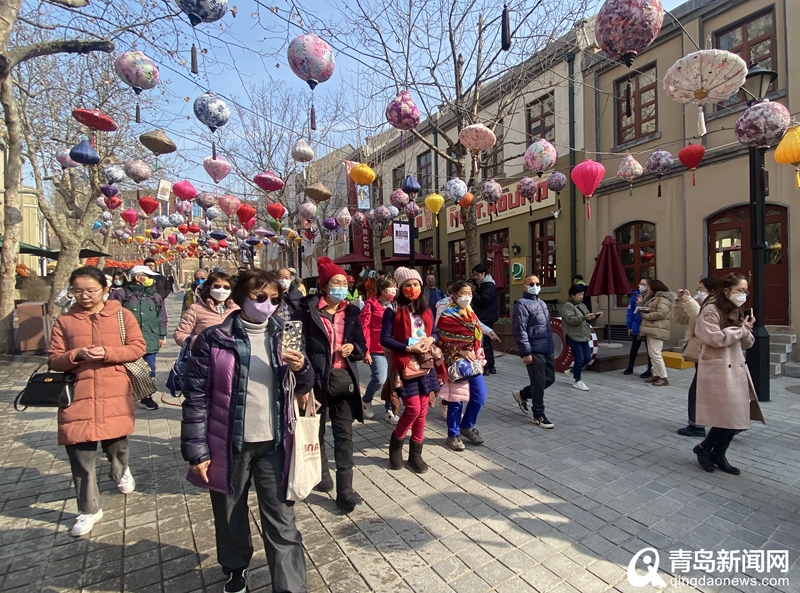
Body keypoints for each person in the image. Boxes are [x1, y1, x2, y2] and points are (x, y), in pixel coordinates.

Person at [181, 269, 312, 593]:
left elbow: (304, 386)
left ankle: (291, 587)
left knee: (282, 520)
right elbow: (196, 397)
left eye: (275, 299)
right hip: (228, 444)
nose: (268, 304)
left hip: (275, 444)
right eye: (260, 297)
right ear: (241, 297)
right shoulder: (214, 338)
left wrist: (301, 368)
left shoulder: (284, 333)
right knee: (230, 514)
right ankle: (235, 568)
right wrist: (197, 451)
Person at [49, 266, 146, 537]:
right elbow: (54, 359)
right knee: (81, 457)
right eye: (78, 291)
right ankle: (89, 509)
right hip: (76, 395)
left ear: (105, 289)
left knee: (117, 446)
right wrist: (76, 355)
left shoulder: (122, 315)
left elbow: (138, 347)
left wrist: (107, 352)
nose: (85, 296)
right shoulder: (65, 321)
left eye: (91, 290)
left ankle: (121, 471)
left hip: (114, 391)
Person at [293, 257, 366, 512]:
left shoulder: (352, 312)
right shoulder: (305, 312)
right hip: (315, 382)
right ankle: (321, 473)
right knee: (316, 431)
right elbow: (296, 348)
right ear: (324, 286)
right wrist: (302, 385)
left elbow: (362, 345)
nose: (341, 287)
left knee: (344, 435)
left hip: (343, 382)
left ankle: (345, 489)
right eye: (336, 282)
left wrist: (353, 347)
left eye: (344, 283)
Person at [692, 273, 764, 474]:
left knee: (737, 417)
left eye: (745, 291)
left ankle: (717, 452)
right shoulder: (711, 310)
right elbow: (713, 338)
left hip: (736, 368)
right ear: (726, 290)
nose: (743, 295)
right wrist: (741, 330)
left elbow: (747, 342)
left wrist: (746, 329)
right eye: (739, 290)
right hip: (719, 369)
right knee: (728, 416)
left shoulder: (735, 310)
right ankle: (705, 449)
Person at [382, 267, 443, 473]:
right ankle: (396, 446)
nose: (413, 288)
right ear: (400, 288)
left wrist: (431, 338)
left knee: (423, 410)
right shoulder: (392, 310)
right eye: (408, 285)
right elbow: (385, 339)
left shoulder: (426, 309)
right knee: (413, 408)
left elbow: (436, 332)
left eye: (416, 284)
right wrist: (408, 348)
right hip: (405, 364)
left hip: (425, 363)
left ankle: (415, 454)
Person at [436, 280, 487, 451]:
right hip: (454, 361)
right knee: (456, 399)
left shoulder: (470, 312)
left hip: (472, 361)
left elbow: (477, 333)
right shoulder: (447, 313)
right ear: (455, 295)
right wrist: (459, 350)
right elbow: (441, 339)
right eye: (463, 293)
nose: (467, 296)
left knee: (480, 397)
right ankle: (453, 434)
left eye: (469, 293)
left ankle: (467, 426)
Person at [109, 265, 168, 410]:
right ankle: (122, 397)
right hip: (125, 340)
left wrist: (162, 335)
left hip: (150, 338)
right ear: (137, 277)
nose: (151, 279)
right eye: (148, 276)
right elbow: (109, 316)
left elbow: (161, 317)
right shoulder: (120, 294)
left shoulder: (155, 296)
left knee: (149, 370)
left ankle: (147, 397)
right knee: (124, 370)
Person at [674, 277, 718, 438]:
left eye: (702, 289)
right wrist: (680, 303)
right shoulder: (701, 302)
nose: (699, 291)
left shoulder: (714, 304)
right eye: (698, 289)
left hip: (708, 351)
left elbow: (700, 319)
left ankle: (698, 425)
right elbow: (681, 319)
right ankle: (701, 423)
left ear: (712, 290)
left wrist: (689, 301)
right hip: (701, 350)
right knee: (700, 389)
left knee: (699, 390)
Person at [511, 274, 555, 429]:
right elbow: (519, 330)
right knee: (538, 383)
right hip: (534, 349)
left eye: (537, 283)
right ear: (525, 286)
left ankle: (523, 394)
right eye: (531, 284)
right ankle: (538, 414)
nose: (535, 286)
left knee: (550, 379)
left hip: (547, 348)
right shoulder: (522, 304)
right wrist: (526, 352)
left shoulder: (541, 303)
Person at [359, 274, 400, 424]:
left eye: (395, 287)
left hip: (394, 347)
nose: (393, 290)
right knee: (380, 378)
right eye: (390, 287)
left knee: (392, 380)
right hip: (376, 349)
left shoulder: (396, 304)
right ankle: (366, 399)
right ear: (382, 289)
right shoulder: (371, 304)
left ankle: (390, 409)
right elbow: (364, 328)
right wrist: (366, 351)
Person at [173, 271, 238, 347]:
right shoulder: (196, 309)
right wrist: (199, 342)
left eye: (226, 287)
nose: (221, 290)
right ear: (208, 287)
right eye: (217, 286)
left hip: (232, 353)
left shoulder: (237, 309)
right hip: (204, 353)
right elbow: (180, 334)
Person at [637, 279, 675, 387]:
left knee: (656, 354)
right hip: (651, 328)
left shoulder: (663, 298)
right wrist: (640, 305)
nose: (647, 288)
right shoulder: (652, 298)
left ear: (655, 287)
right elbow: (650, 309)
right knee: (652, 354)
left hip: (657, 329)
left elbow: (661, 313)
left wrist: (646, 316)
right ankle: (657, 375)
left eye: (648, 286)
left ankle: (663, 377)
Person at [562, 284, 601, 391]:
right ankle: (577, 381)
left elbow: (588, 318)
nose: (581, 297)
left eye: (582, 294)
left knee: (587, 358)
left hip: (583, 335)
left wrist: (595, 316)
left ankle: (571, 371)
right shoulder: (567, 306)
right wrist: (584, 317)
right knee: (579, 358)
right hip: (573, 336)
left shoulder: (582, 305)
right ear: (572, 295)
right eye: (579, 295)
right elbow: (571, 320)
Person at [471, 264, 499, 374]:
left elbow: (484, 300)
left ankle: (488, 366)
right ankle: (488, 366)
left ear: (483, 274)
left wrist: (473, 292)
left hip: (487, 317)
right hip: (483, 316)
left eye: (477, 275)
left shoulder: (489, 286)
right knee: (484, 342)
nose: (476, 277)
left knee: (485, 343)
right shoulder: (481, 284)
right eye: (474, 275)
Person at [624, 278, 653, 377]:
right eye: (640, 284)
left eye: (644, 284)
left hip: (648, 325)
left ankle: (650, 369)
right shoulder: (635, 295)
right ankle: (630, 366)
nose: (641, 286)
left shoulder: (652, 296)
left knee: (650, 349)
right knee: (634, 347)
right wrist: (629, 326)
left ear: (649, 286)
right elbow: (630, 312)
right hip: (637, 325)